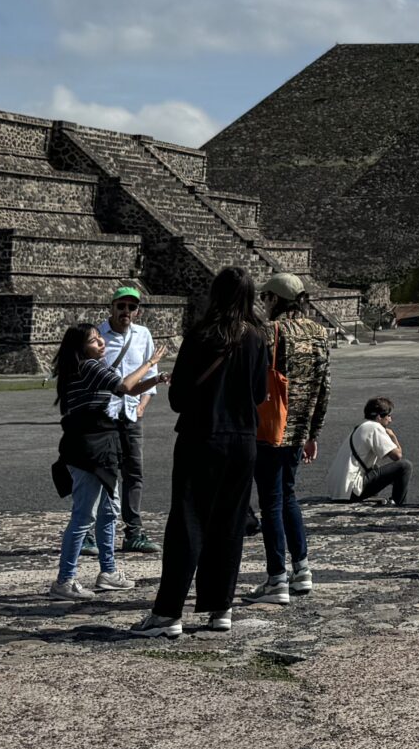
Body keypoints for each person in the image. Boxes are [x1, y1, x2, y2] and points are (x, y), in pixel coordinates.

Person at [132, 267, 270, 638]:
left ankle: (168, 612)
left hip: (201, 435)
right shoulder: (257, 338)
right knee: (230, 524)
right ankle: (221, 607)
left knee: (188, 522)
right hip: (242, 439)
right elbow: (260, 394)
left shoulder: (202, 334)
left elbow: (178, 398)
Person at [50, 320, 161, 600]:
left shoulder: (93, 367)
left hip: (102, 445)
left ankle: (108, 572)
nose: (101, 342)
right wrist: (150, 363)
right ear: (80, 348)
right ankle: (64, 580)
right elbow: (124, 385)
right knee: (84, 515)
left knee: (109, 511)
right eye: (93, 340)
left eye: (100, 337)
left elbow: (130, 390)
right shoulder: (88, 367)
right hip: (89, 448)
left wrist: (156, 379)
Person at [251, 270, 333, 603]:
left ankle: (276, 578)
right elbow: (324, 386)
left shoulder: (269, 332)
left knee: (270, 502)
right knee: (288, 495)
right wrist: (314, 432)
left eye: (265, 298)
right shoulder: (319, 332)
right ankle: (302, 569)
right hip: (299, 430)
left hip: (270, 428)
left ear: (274, 299)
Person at [99, 282, 159, 552]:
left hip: (132, 413)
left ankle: (133, 531)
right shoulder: (98, 335)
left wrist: (143, 405)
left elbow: (149, 376)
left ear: (137, 311)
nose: (126, 311)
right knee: (103, 474)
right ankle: (93, 531)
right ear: (111, 307)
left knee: (134, 473)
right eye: (121, 306)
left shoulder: (143, 335)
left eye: (131, 307)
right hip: (104, 415)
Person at [343, 397, 410, 504]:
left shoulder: (360, 427)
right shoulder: (374, 427)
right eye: (388, 416)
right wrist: (393, 436)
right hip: (351, 491)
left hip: (341, 489)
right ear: (379, 417)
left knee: (375, 468)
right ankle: (400, 505)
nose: (390, 420)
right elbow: (397, 456)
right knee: (405, 466)